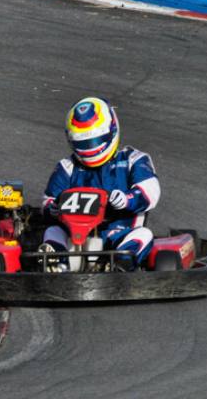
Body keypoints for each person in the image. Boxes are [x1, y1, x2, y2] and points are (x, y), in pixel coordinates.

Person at [40, 96, 161, 270]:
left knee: (144, 234)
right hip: (75, 237)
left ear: (112, 129)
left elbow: (151, 192)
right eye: (84, 143)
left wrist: (128, 199)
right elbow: (48, 199)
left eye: (95, 141)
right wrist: (52, 208)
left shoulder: (133, 160)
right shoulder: (67, 167)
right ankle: (58, 263)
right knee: (52, 232)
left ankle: (119, 264)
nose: (90, 148)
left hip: (119, 232)